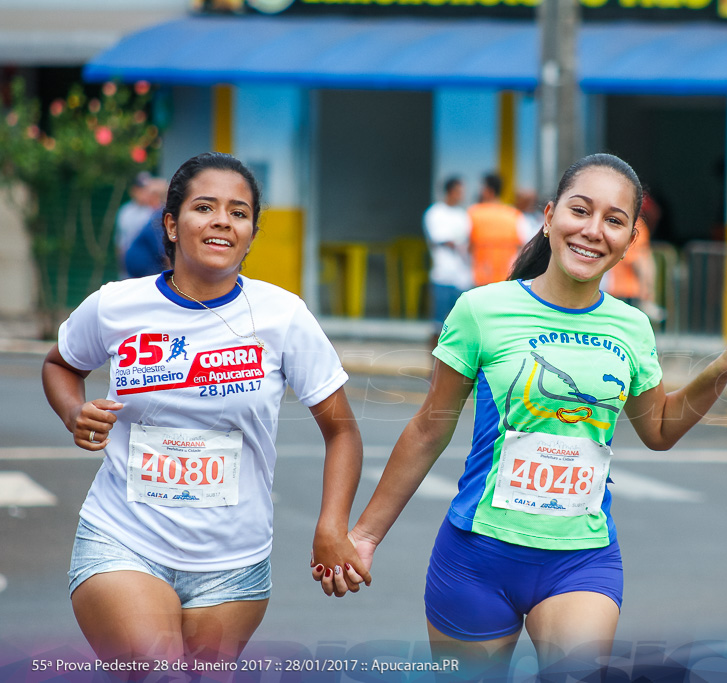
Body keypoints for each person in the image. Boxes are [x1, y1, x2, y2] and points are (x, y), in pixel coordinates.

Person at [325, 154, 727, 679]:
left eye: (614, 220)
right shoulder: (480, 310)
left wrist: (719, 370)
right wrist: (366, 537)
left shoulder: (631, 327)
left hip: (580, 559)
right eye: (580, 211)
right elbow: (429, 428)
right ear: (551, 215)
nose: (592, 231)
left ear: (630, 240)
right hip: (475, 557)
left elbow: (661, 430)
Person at [41, 152, 368, 667]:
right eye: (205, 207)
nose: (222, 220)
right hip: (124, 538)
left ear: (252, 233)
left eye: (239, 213)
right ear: (171, 225)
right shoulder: (115, 305)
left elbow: (342, 432)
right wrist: (72, 412)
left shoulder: (283, 316)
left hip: (234, 564)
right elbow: (61, 364)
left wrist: (332, 525)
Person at [423, 176, 473, 339]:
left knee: (459, 325)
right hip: (443, 275)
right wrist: (460, 245)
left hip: (462, 276)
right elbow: (443, 239)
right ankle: (433, 363)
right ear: (450, 191)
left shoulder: (462, 215)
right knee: (438, 325)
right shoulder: (435, 213)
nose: (462, 195)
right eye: (459, 191)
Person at [467, 172, 524, 286]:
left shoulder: (473, 213)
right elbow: (521, 248)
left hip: (480, 279)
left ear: (488, 190)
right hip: (507, 279)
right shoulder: (514, 214)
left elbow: (466, 247)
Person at [115, 172, 161, 277]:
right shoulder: (125, 212)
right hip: (131, 271)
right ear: (133, 190)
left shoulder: (155, 211)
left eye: (146, 189)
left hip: (153, 269)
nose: (143, 193)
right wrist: (123, 269)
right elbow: (121, 244)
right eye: (140, 189)